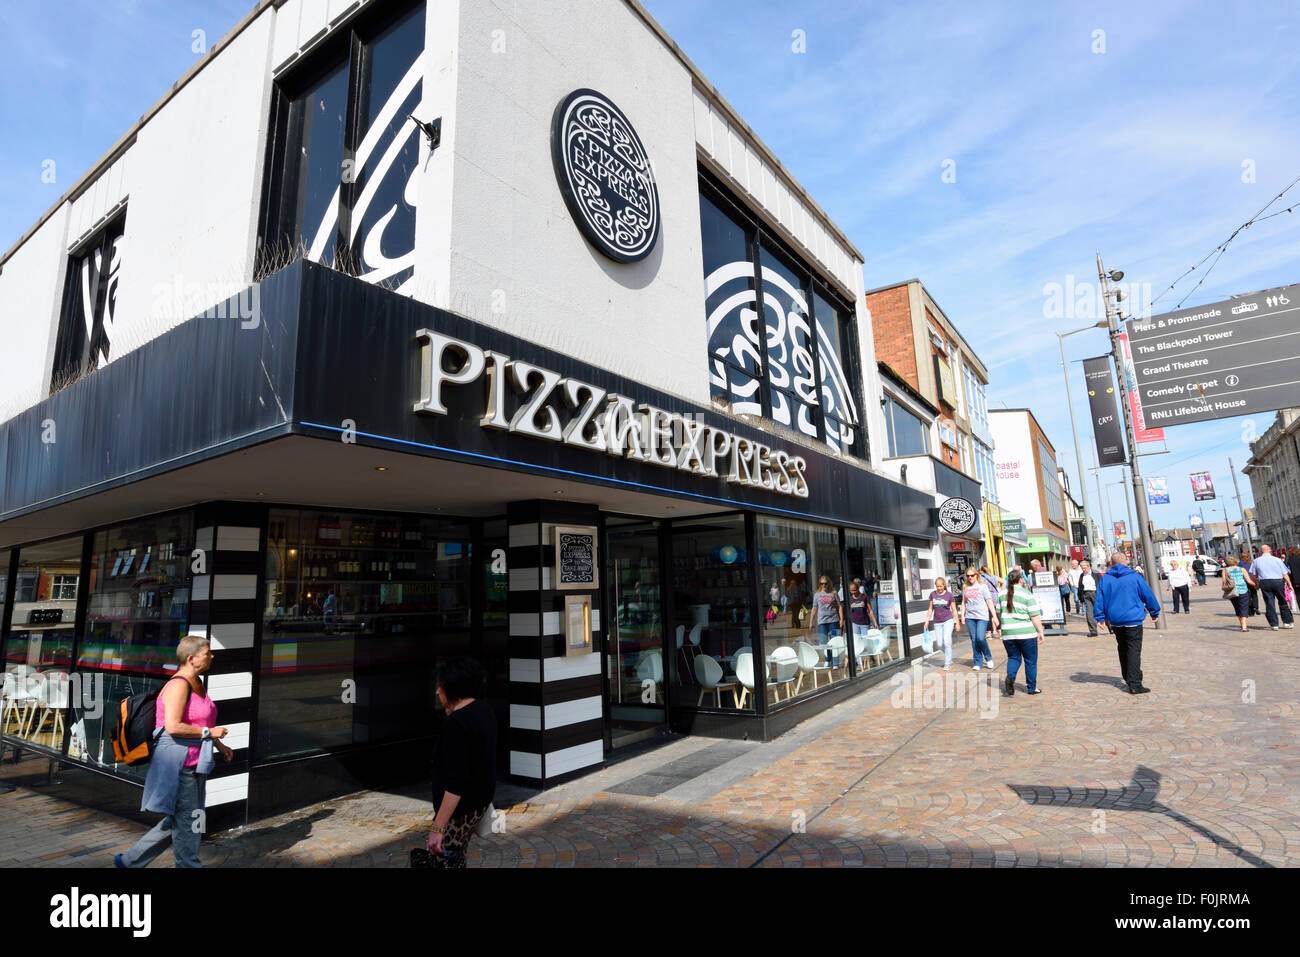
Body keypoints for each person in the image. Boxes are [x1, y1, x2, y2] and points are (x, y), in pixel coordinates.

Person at [115, 636, 232, 868]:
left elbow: (201, 722)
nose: (211, 656)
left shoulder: (197, 682)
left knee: (189, 817)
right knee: (189, 821)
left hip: (198, 763)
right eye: (207, 652)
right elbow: (173, 726)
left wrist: (219, 745)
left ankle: (130, 861)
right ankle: (188, 864)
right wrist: (211, 734)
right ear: (191, 658)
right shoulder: (179, 685)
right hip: (178, 764)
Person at [428, 657, 497, 867]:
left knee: (445, 862)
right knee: (457, 858)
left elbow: (456, 782)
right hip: (478, 804)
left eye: (440, 686)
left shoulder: (455, 724)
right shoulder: (483, 710)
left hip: (459, 812)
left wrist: (438, 827)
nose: (437, 692)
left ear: (453, 688)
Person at [1094, 551, 1160, 695]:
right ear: (1126, 562)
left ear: (1111, 564)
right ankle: (1135, 683)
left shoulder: (1105, 579)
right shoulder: (1135, 577)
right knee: (1133, 650)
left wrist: (1099, 618)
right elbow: (1148, 595)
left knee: (1123, 648)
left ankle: (1128, 676)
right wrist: (1154, 612)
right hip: (1133, 619)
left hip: (1116, 620)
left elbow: (1099, 599)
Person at [997, 570, 1045, 695]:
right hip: (1026, 633)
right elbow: (1034, 616)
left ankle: (1010, 677)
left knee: (1013, 657)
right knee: (1030, 660)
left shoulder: (1002, 594)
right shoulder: (1027, 594)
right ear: (1021, 579)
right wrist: (1040, 631)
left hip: (1008, 632)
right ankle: (1031, 687)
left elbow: (999, 612)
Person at [959, 566, 1000, 670]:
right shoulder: (966, 587)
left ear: (976, 575)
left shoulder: (983, 586)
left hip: (982, 616)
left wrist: (994, 616)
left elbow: (989, 601)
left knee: (980, 638)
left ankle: (988, 657)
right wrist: (962, 615)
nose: (970, 577)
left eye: (972, 575)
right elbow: (964, 602)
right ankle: (978, 662)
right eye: (968, 576)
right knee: (974, 640)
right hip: (970, 617)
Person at [1248, 544, 1295, 630]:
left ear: (1261, 551)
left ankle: (1274, 624)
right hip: (1277, 581)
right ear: (1270, 550)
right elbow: (1285, 574)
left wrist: (1256, 584)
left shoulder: (1256, 561)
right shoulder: (1277, 560)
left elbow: (1254, 575)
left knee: (1269, 603)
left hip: (1264, 582)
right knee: (1282, 601)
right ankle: (1287, 622)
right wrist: (1290, 584)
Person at [923, 576, 957, 671]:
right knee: (939, 644)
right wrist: (926, 621)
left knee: (946, 641)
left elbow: (954, 609)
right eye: (937, 586)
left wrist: (957, 622)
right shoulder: (932, 595)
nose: (939, 588)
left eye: (941, 586)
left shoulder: (949, 595)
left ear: (944, 586)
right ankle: (948, 656)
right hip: (937, 622)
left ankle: (947, 663)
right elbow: (930, 608)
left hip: (948, 620)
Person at [1221, 555, 1253, 633]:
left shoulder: (1225, 570)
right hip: (1243, 590)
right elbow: (1248, 581)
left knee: (1237, 608)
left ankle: (1242, 624)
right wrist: (1256, 585)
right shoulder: (1242, 569)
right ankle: (1244, 626)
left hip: (1232, 591)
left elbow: (1224, 582)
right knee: (1244, 608)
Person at [807, 575, 844, 642]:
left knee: (834, 642)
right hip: (822, 622)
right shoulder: (817, 594)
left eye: (825, 583)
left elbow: (839, 606)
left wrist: (841, 619)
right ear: (820, 584)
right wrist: (811, 622)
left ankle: (833, 653)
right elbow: (814, 608)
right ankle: (826, 653)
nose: (824, 585)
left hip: (833, 621)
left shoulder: (834, 593)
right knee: (824, 642)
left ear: (828, 583)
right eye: (822, 583)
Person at [1078, 559, 1100, 636]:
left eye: (1085, 568)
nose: (1083, 570)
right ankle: (1093, 631)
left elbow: (1101, 584)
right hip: (1086, 594)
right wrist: (1080, 599)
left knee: (1102, 611)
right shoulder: (1082, 575)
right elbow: (1080, 587)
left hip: (1096, 593)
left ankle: (1110, 627)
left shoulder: (1096, 574)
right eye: (1082, 568)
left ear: (1089, 567)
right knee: (1089, 613)